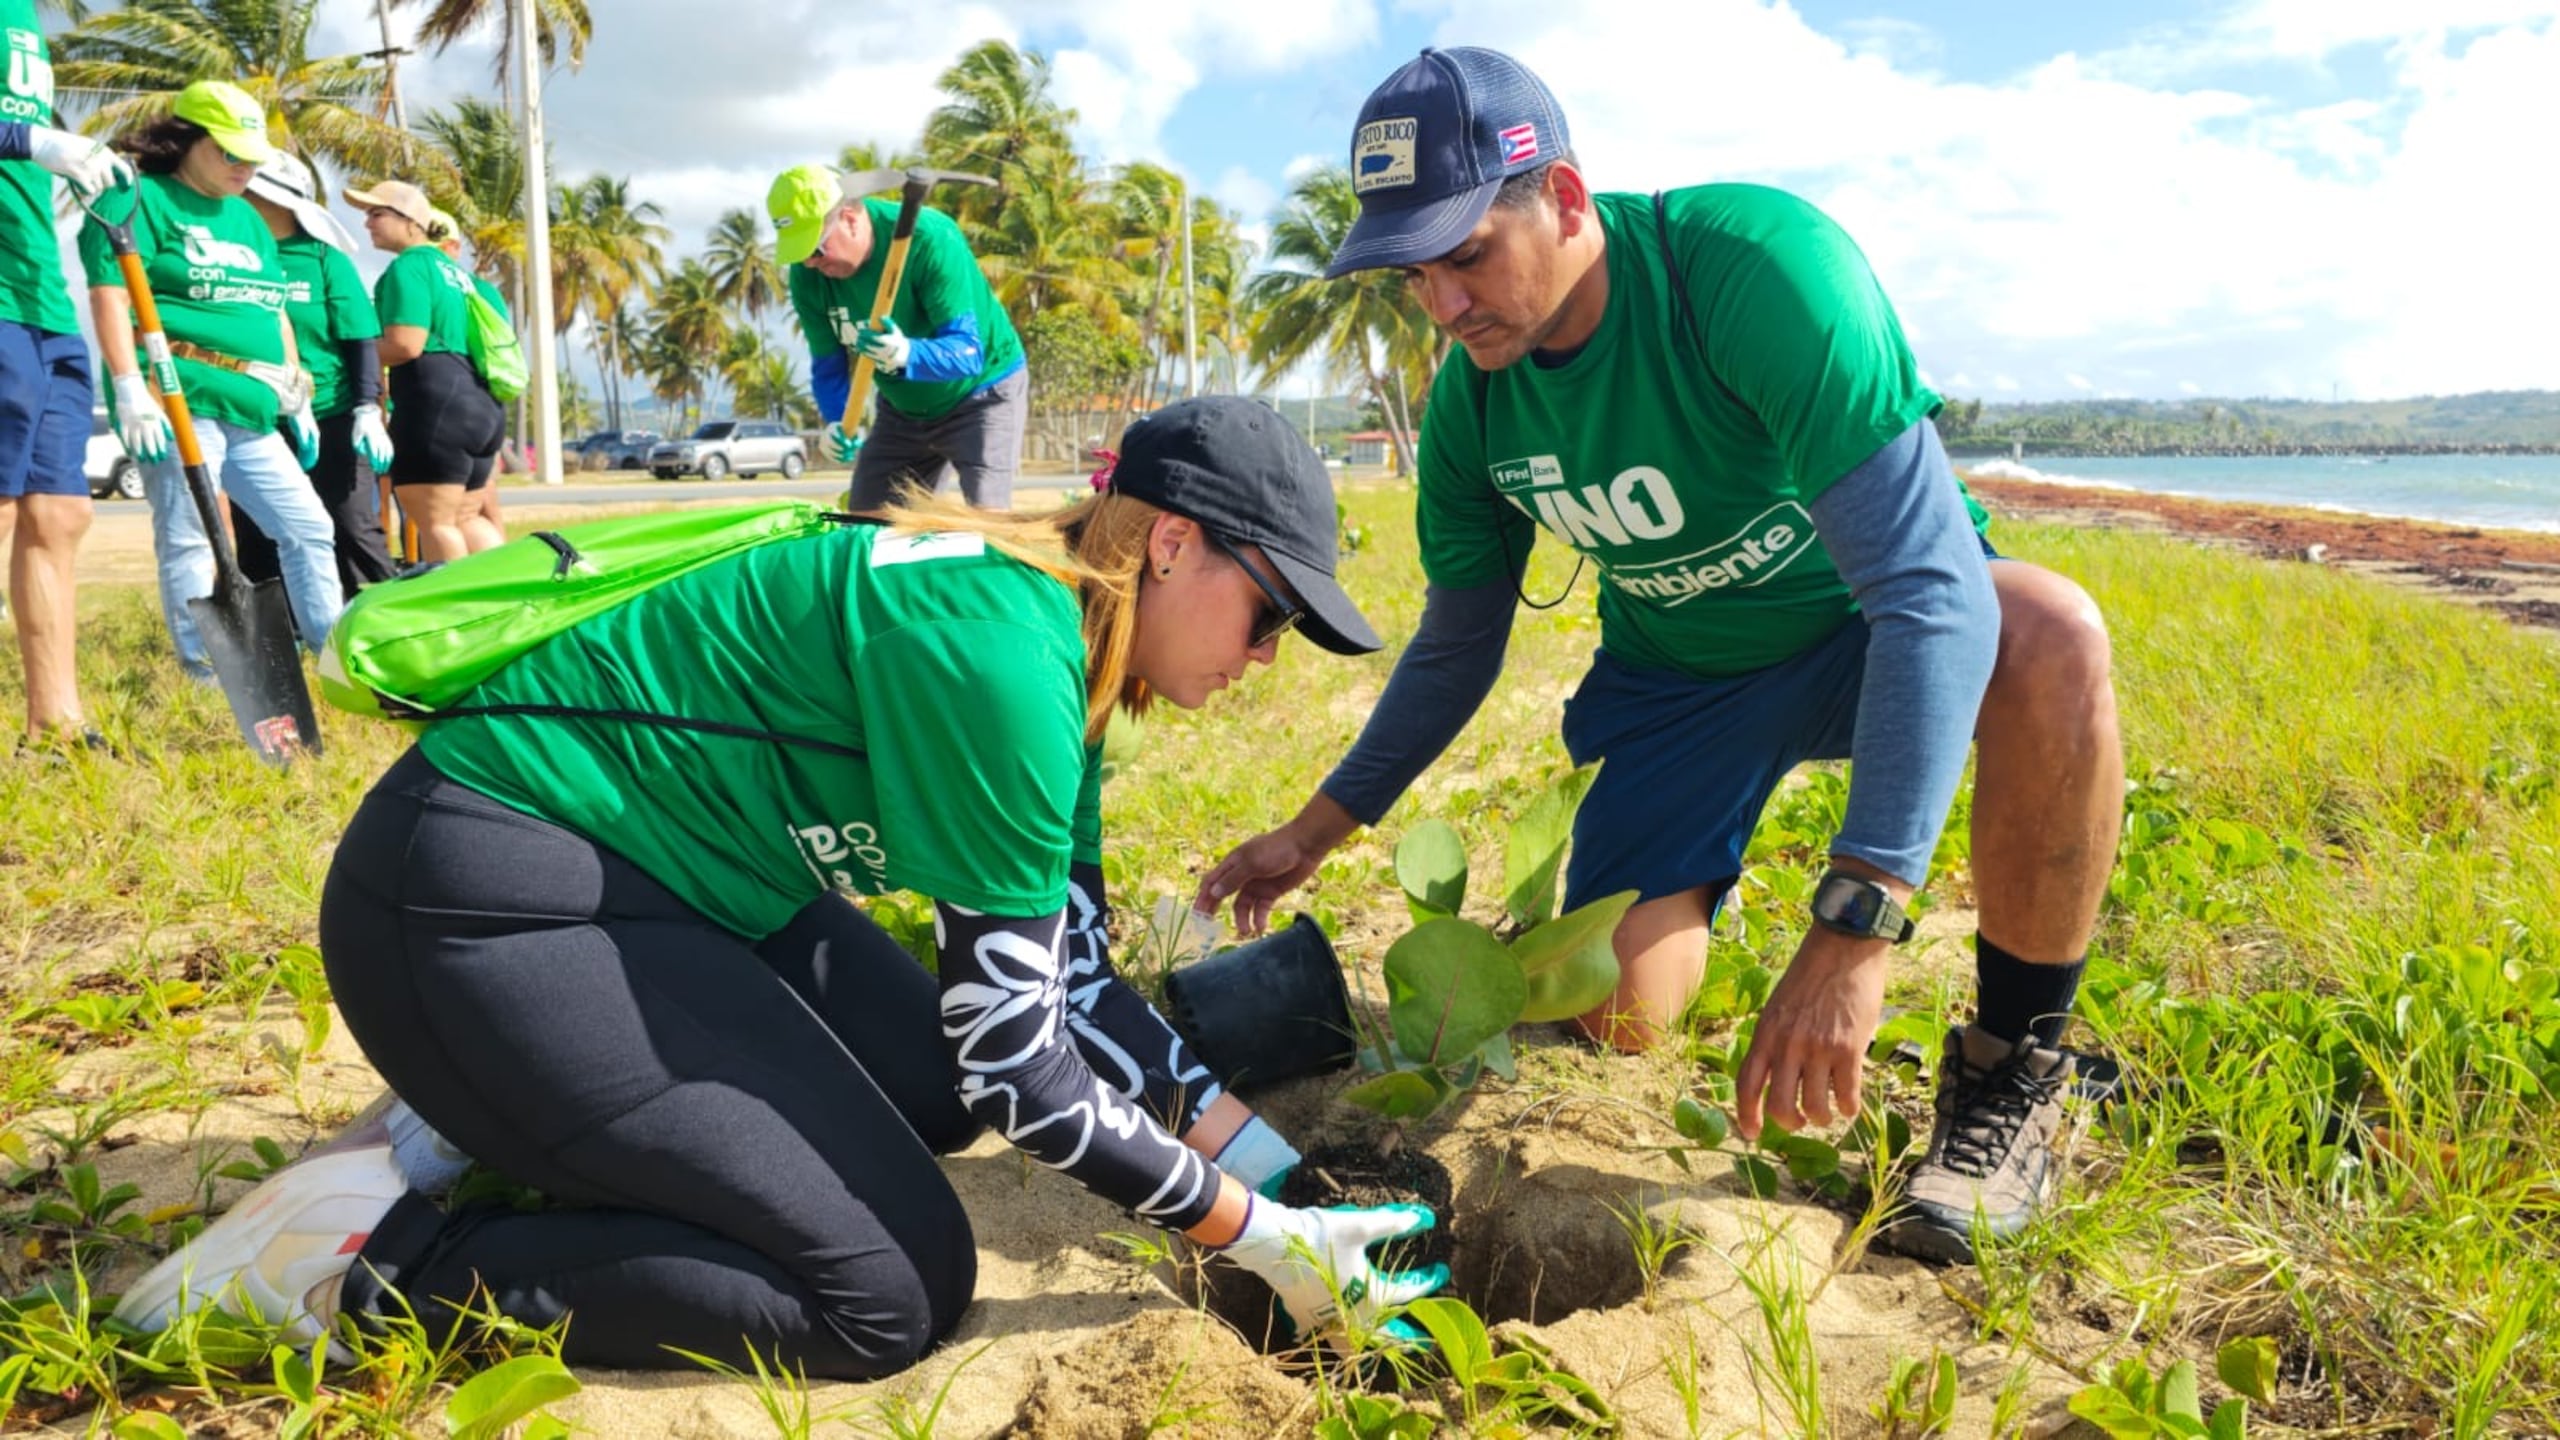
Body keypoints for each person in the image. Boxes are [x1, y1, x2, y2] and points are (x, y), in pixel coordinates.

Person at [114, 395, 1448, 1378]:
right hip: (477, 902)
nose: (1270, 657)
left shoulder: (1057, 623)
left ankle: (500, 1097)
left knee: (923, 1078)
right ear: (1170, 547)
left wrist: (1282, 1172)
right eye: (1272, 613)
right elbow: (1020, 1068)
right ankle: (382, 1266)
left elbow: (1071, 977)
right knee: (885, 1296)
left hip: (666, 887)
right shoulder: (1002, 659)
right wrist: (1254, 1233)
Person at [1197, 48, 2123, 1265]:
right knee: (1619, 1016)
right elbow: (1457, 648)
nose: (1445, 305)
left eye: (1468, 255)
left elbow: (1925, 590)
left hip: (1865, 630)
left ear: (1567, 199)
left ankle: (2016, 1065)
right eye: (1415, 276)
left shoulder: (1749, 274)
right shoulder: (1477, 401)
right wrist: (1313, 832)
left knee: (2049, 630)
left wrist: (1853, 928)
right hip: (1678, 689)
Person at [83, 80, 342, 677]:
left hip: (251, 408)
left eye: (251, 156)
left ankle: (330, 658)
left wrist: (292, 386)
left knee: (308, 528)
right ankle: (203, 675)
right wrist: (128, 387)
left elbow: (271, 305)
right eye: (229, 152)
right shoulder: (141, 200)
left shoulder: (248, 220)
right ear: (186, 141)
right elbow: (110, 294)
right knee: (192, 538)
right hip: (178, 397)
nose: (243, 166)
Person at [0, 0, 125, 750]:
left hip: (43, 295)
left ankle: (55, 724)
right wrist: (31, 138)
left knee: (60, 513)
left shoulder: (24, 18)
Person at [769, 163, 1026, 510]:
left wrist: (908, 354)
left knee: (989, 523)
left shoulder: (931, 239)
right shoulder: (807, 277)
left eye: (815, 249)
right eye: (799, 254)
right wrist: (836, 422)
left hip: (982, 394)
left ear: (849, 218)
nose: (810, 264)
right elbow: (828, 365)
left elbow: (968, 352)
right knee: (866, 523)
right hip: (902, 409)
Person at [230, 152, 399, 595]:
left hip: (332, 415)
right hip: (258, 419)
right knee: (256, 530)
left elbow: (360, 337)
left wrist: (367, 408)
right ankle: (281, 635)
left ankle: (381, 616)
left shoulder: (324, 259)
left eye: (249, 189)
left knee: (350, 524)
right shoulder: (235, 257)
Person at [346, 179, 501, 561]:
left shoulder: (409, 267)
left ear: (413, 222)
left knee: (436, 523)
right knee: (466, 518)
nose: (368, 223)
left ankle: (456, 616)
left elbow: (405, 344)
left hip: (435, 402)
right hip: (483, 405)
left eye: (377, 214)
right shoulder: (462, 276)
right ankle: (507, 610)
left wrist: (351, 356)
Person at [429, 208, 507, 541]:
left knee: (449, 520)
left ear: (454, 247)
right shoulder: (483, 291)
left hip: (452, 408)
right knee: (478, 509)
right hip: (488, 407)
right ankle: (509, 571)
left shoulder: (424, 278)